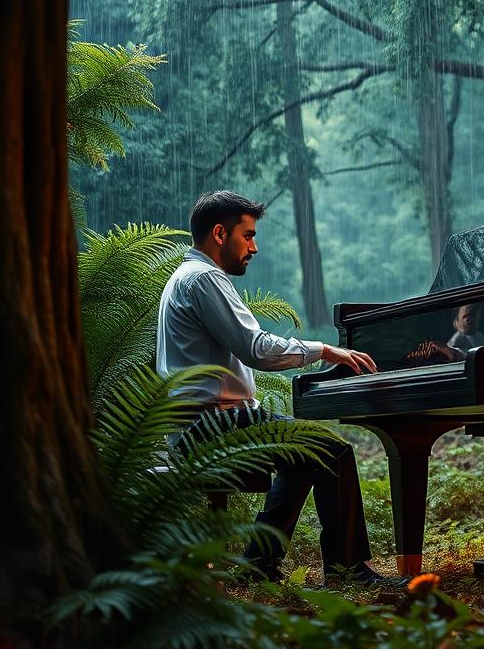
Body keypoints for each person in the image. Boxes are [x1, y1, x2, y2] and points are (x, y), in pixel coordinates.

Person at [156, 189, 398, 586]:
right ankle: (348, 570)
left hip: (197, 424)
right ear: (220, 233)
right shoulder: (204, 279)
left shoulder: (185, 277)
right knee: (331, 451)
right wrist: (325, 350)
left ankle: (258, 566)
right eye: (247, 235)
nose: (254, 247)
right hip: (206, 425)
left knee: (304, 454)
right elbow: (257, 349)